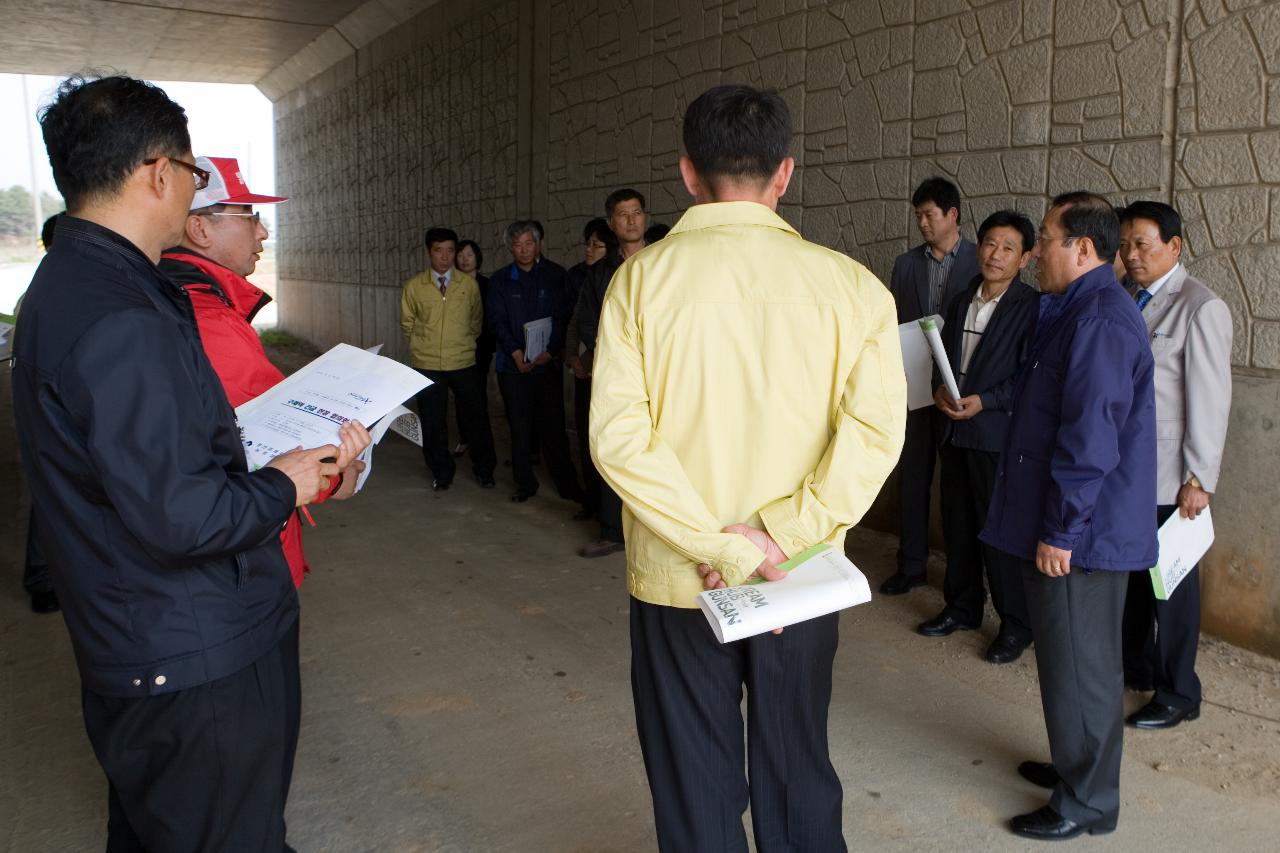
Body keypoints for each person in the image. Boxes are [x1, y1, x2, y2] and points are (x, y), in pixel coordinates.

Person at [14, 73, 353, 853]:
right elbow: (184, 513)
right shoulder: (122, 316)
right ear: (158, 174)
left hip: (140, 641)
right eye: (195, 176)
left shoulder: (69, 287)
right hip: (192, 656)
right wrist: (285, 481)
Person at [590, 84, 906, 850]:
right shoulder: (853, 287)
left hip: (679, 575)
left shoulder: (639, 281)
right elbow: (873, 435)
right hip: (794, 574)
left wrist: (721, 546)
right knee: (797, 762)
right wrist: (775, 536)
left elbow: (619, 438)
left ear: (689, 174)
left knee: (694, 778)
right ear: (785, 173)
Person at [981, 192, 1156, 840]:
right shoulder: (1075, 309)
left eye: (1047, 239)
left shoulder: (1102, 320)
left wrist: (1061, 530)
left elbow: (1090, 439)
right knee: (1068, 663)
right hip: (1072, 527)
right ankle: (1076, 766)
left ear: (1083, 248)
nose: (1036, 254)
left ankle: (1088, 801)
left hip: (1084, 534)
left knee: (1081, 666)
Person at [159, 155, 372, 587]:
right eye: (248, 216)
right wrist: (342, 472)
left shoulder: (183, 299)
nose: (263, 231)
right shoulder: (210, 321)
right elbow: (269, 442)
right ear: (199, 228)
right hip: (245, 564)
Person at [1118, 201, 1232, 729]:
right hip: (1129, 471)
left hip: (1170, 474)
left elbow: (1209, 400)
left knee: (1173, 586)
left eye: (1142, 244)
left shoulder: (1199, 306)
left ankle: (1180, 691)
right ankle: (1137, 668)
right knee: (1139, 580)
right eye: (1125, 246)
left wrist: (1198, 479)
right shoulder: (1128, 300)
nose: (1132, 255)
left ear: (1174, 246)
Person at [917, 210, 1039, 663]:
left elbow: (1029, 375)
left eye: (1008, 247)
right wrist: (937, 388)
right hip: (954, 429)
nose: (996, 254)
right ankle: (962, 607)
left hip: (994, 435)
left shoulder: (1031, 307)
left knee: (999, 535)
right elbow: (941, 355)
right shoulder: (961, 298)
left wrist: (985, 401)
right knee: (958, 525)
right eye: (989, 243)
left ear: (1025, 257)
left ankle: (1015, 625)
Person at [883, 176, 980, 595]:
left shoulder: (981, 260)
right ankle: (911, 565)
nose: (922, 222)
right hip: (917, 385)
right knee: (913, 477)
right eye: (918, 215)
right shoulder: (906, 265)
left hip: (963, 390)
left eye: (929, 214)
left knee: (959, 488)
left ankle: (962, 577)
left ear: (952, 215)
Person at [569, 190, 647, 558]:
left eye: (636, 212)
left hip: (662, 368)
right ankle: (613, 530)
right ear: (612, 223)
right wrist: (602, 346)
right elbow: (585, 317)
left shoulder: (664, 259)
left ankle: (659, 528)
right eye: (622, 214)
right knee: (614, 444)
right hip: (616, 371)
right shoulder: (600, 272)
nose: (631, 220)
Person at [488, 220, 583, 504]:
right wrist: (516, 352)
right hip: (512, 367)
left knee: (553, 427)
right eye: (517, 244)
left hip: (546, 365)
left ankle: (567, 486)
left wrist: (551, 351)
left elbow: (564, 318)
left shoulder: (556, 275)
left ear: (539, 243)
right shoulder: (500, 280)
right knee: (519, 427)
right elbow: (497, 321)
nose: (524, 249)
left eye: (529, 243)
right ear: (510, 247)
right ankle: (524, 484)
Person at [400, 226, 496, 490]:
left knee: (475, 418)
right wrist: (424, 346)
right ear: (429, 252)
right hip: (427, 365)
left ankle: (484, 469)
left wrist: (462, 343)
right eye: (438, 250)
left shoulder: (469, 285)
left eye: (450, 250)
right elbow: (407, 323)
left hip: (463, 362)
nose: (445, 256)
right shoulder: (414, 287)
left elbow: (476, 322)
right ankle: (441, 472)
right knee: (433, 422)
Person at [18, 213, 63, 614]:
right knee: (55, 498)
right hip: (52, 416)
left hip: (44, 414)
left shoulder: (42, 287)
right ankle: (42, 580)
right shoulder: (63, 292)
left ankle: (43, 580)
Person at [565, 217, 618, 529]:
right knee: (587, 436)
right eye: (587, 243)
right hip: (587, 366)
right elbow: (575, 321)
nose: (589, 249)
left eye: (596, 244)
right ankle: (592, 501)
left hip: (613, 370)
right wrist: (573, 356)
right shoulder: (582, 278)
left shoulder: (620, 276)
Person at [453, 238, 494, 459]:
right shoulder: (450, 285)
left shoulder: (487, 285)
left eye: (469, 254)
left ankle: (479, 439)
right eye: (460, 255)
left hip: (481, 350)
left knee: (477, 395)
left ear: (477, 257)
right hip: (457, 351)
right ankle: (464, 437)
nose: (465, 259)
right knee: (460, 396)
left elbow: (491, 319)